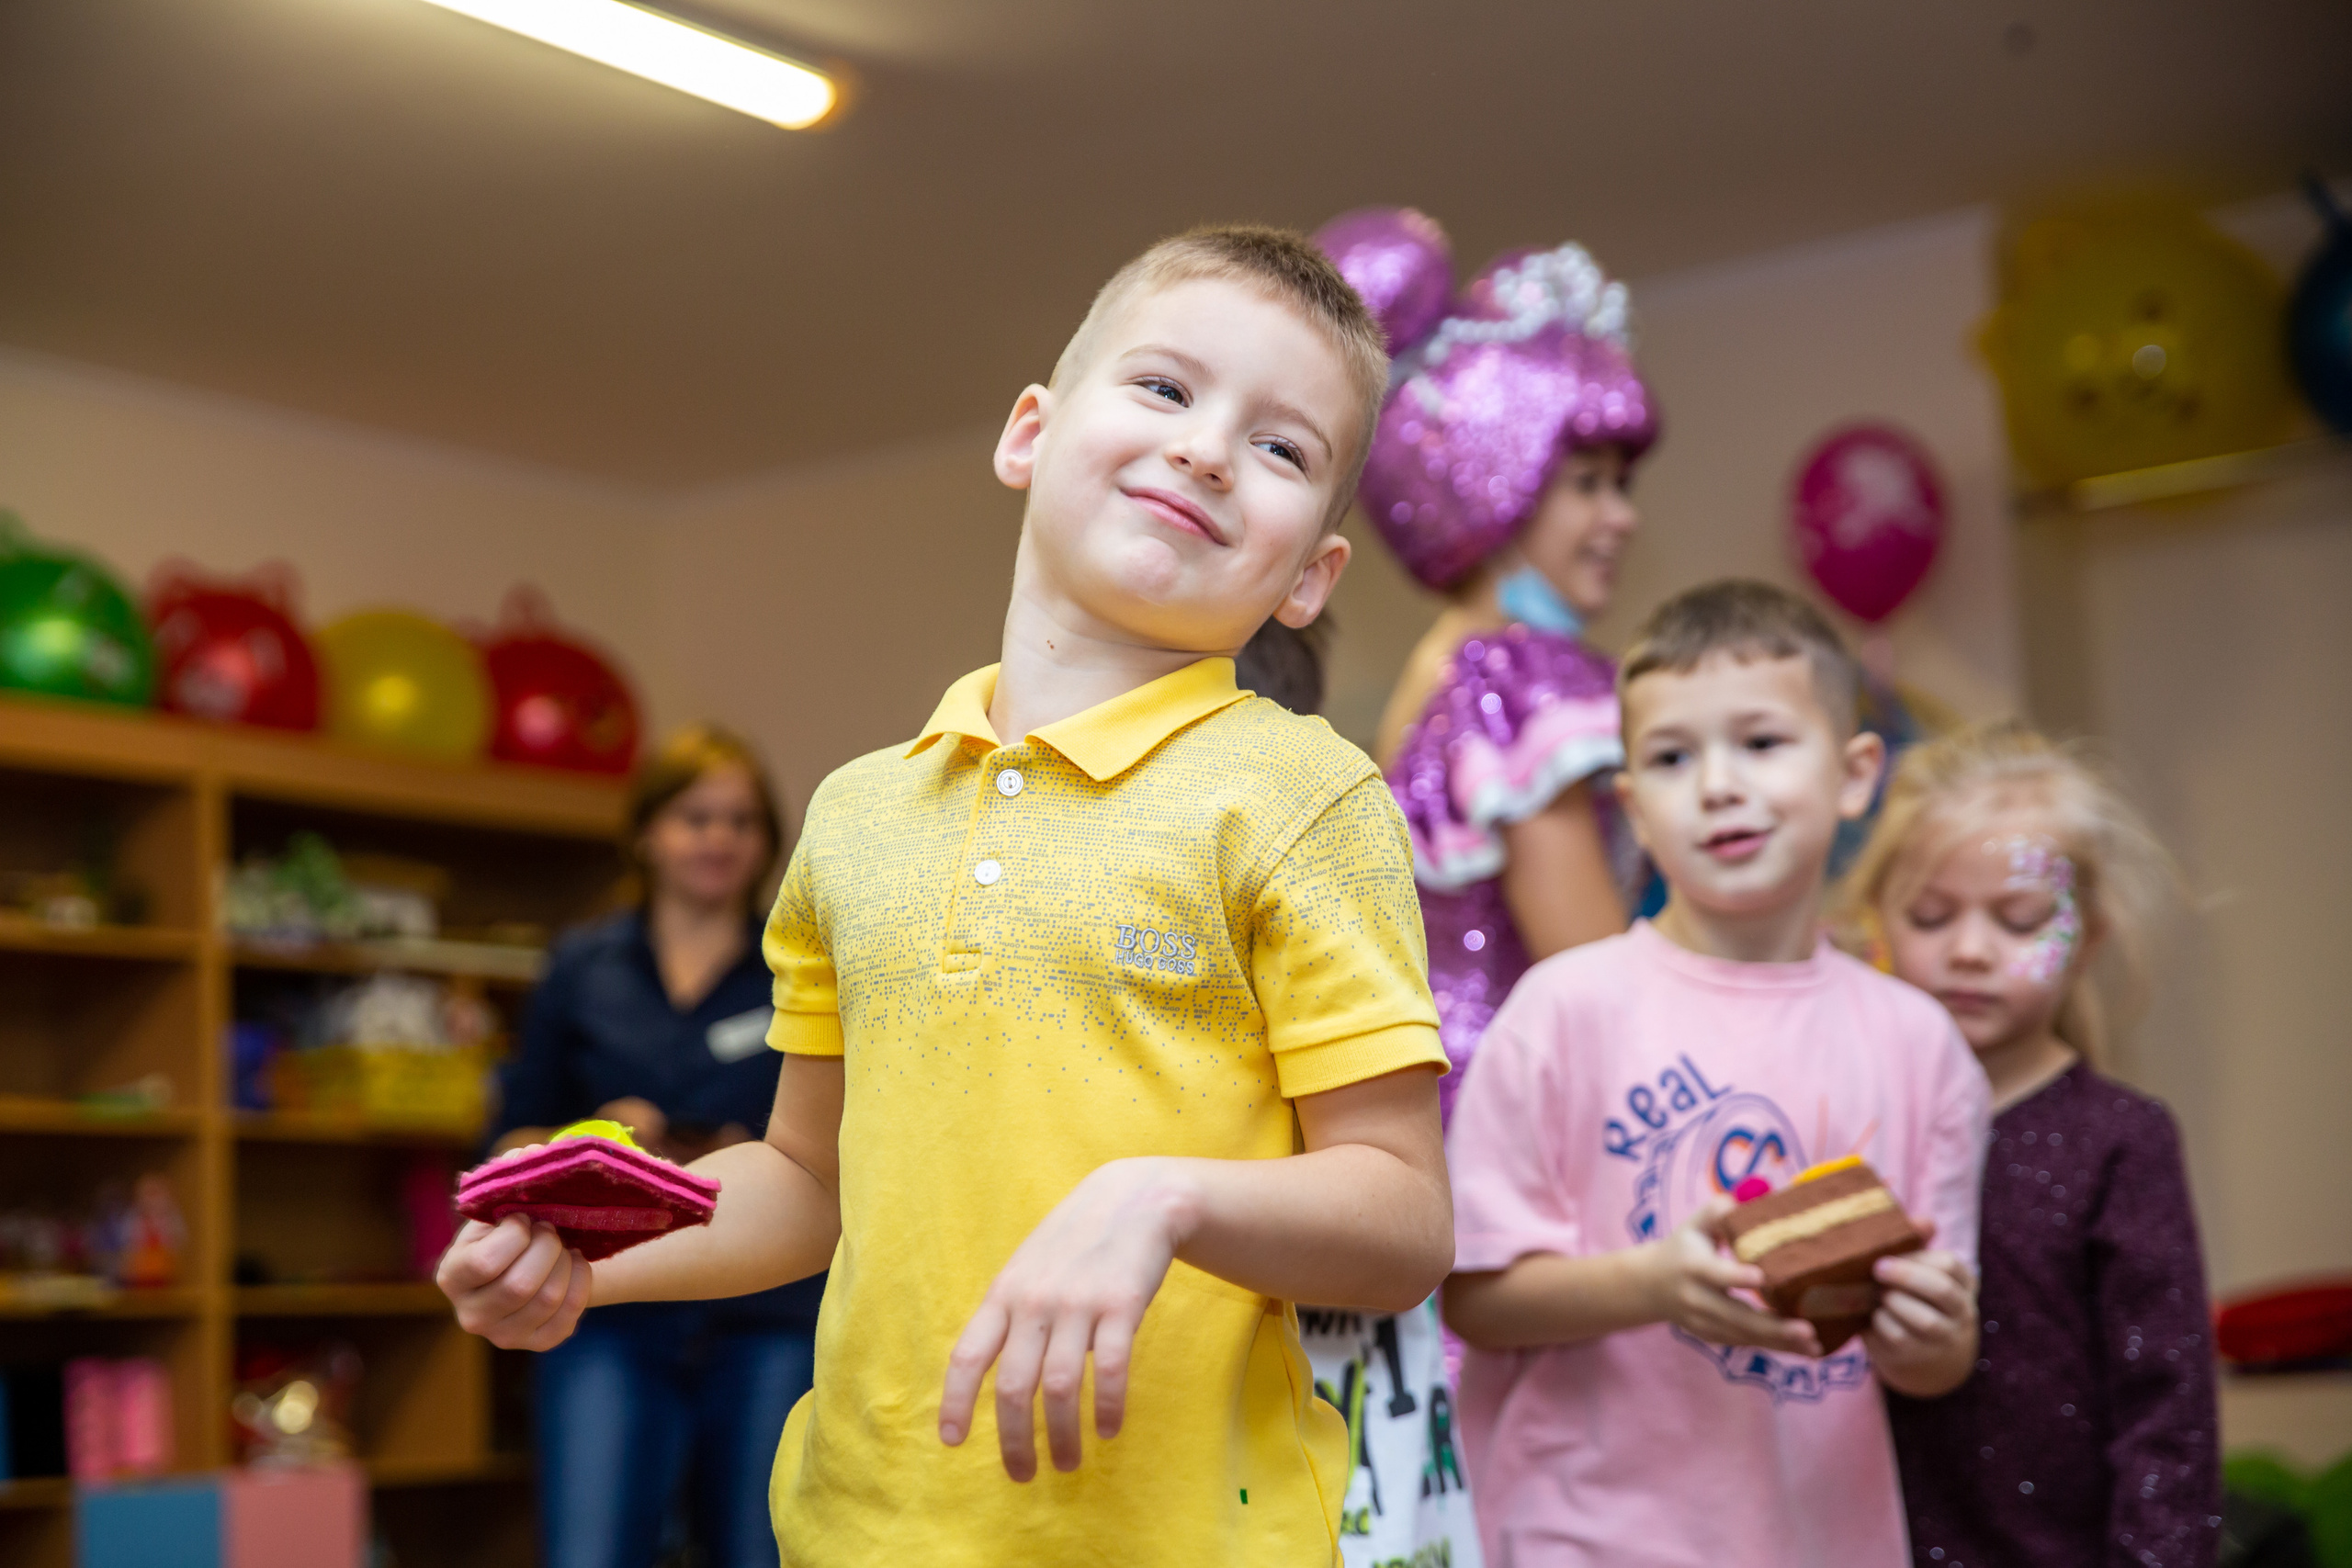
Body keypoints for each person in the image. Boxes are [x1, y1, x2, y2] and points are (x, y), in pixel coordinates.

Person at [440, 225, 1456, 1567]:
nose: (1209, 448)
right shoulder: (857, 817)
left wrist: (1161, 1198)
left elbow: (1402, 1217)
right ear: (1030, 430)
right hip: (861, 1529)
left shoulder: (1305, 797)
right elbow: (807, 1176)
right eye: (1165, 387)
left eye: (1283, 448)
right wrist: (590, 1257)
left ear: (1309, 576)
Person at [1442, 581, 1989, 1568]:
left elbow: (1934, 1361)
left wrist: (1930, 1335)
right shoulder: (1563, 1011)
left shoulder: (1923, 1046)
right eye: (1670, 758)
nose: (1718, 786)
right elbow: (1475, 1299)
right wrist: (1650, 1284)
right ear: (1633, 810)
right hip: (1582, 1537)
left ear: (1857, 774)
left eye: (1763, 743)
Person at [1838, 722, 2221, 1568]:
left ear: (2085, 939)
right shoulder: (1850, 1117)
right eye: (1932, 915)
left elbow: (2169, 1416)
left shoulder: (2121, 1138)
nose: (1970, 950)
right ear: (1879, 924)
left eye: (2019, 920)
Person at [1317, 205, 1661, 1119]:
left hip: (1451, 1114)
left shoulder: (1444, 665)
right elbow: (1594, 985)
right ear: (1494, 485)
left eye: (1621, 486)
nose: (1620, 517)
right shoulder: (1519, 676)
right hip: (1528, 1120)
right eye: (1586, 484)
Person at [488, 724, 824, 1568]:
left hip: (766, 1313)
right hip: (612, 1309)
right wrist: (592, 1135)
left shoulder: (800, 966)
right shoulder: (582, 967)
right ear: (645, 831)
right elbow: (511, 1139)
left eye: (741, 821)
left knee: (766, 1550)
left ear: (767, 842)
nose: (718, 838)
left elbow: (829, 1141)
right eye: (694, 816)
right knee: (590, 1551)